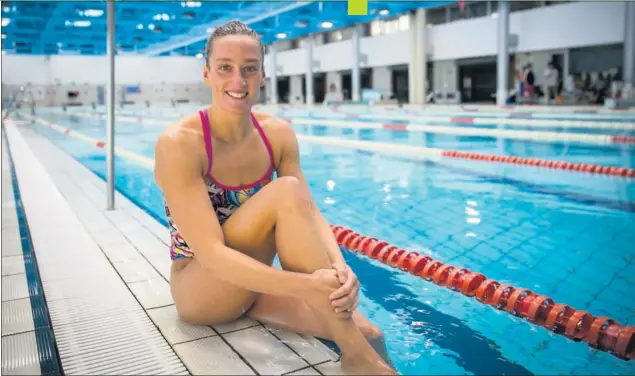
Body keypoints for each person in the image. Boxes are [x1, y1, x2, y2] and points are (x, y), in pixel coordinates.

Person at [153, 20, 396, 375]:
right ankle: (356, 357)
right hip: (202, 290)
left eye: (249, 69)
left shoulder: (277, 135)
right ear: (207, 74)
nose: (238, 81)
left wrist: (341, 269)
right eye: (225, 68)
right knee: (285, 192)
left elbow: (309, 212)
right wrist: (309, 285)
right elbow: (213, 255)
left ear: (263, 76)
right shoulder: (181, 144)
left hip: (254, 285)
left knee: (372, 334)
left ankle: (361, 357)